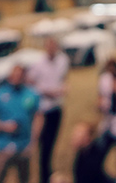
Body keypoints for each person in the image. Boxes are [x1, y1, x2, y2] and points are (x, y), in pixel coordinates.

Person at [0, 64, 43, 183]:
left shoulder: (31, 94)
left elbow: (39, 116)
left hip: (24, 146)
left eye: (20, 75)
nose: (17, 78)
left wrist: (34, 140)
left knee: (24, 178)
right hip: (3, 146)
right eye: (14, 75)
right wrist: (3, 126)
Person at [27, 37, 70, 183]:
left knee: (51, 144)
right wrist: (47, 91)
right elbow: (30, 82)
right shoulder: (38, 64)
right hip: (43, 110)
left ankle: (47, 173)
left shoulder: (63, 60)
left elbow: (63, 77)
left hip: (56, 108)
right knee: (43, 146)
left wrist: (62, 88)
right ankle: (43, 177)